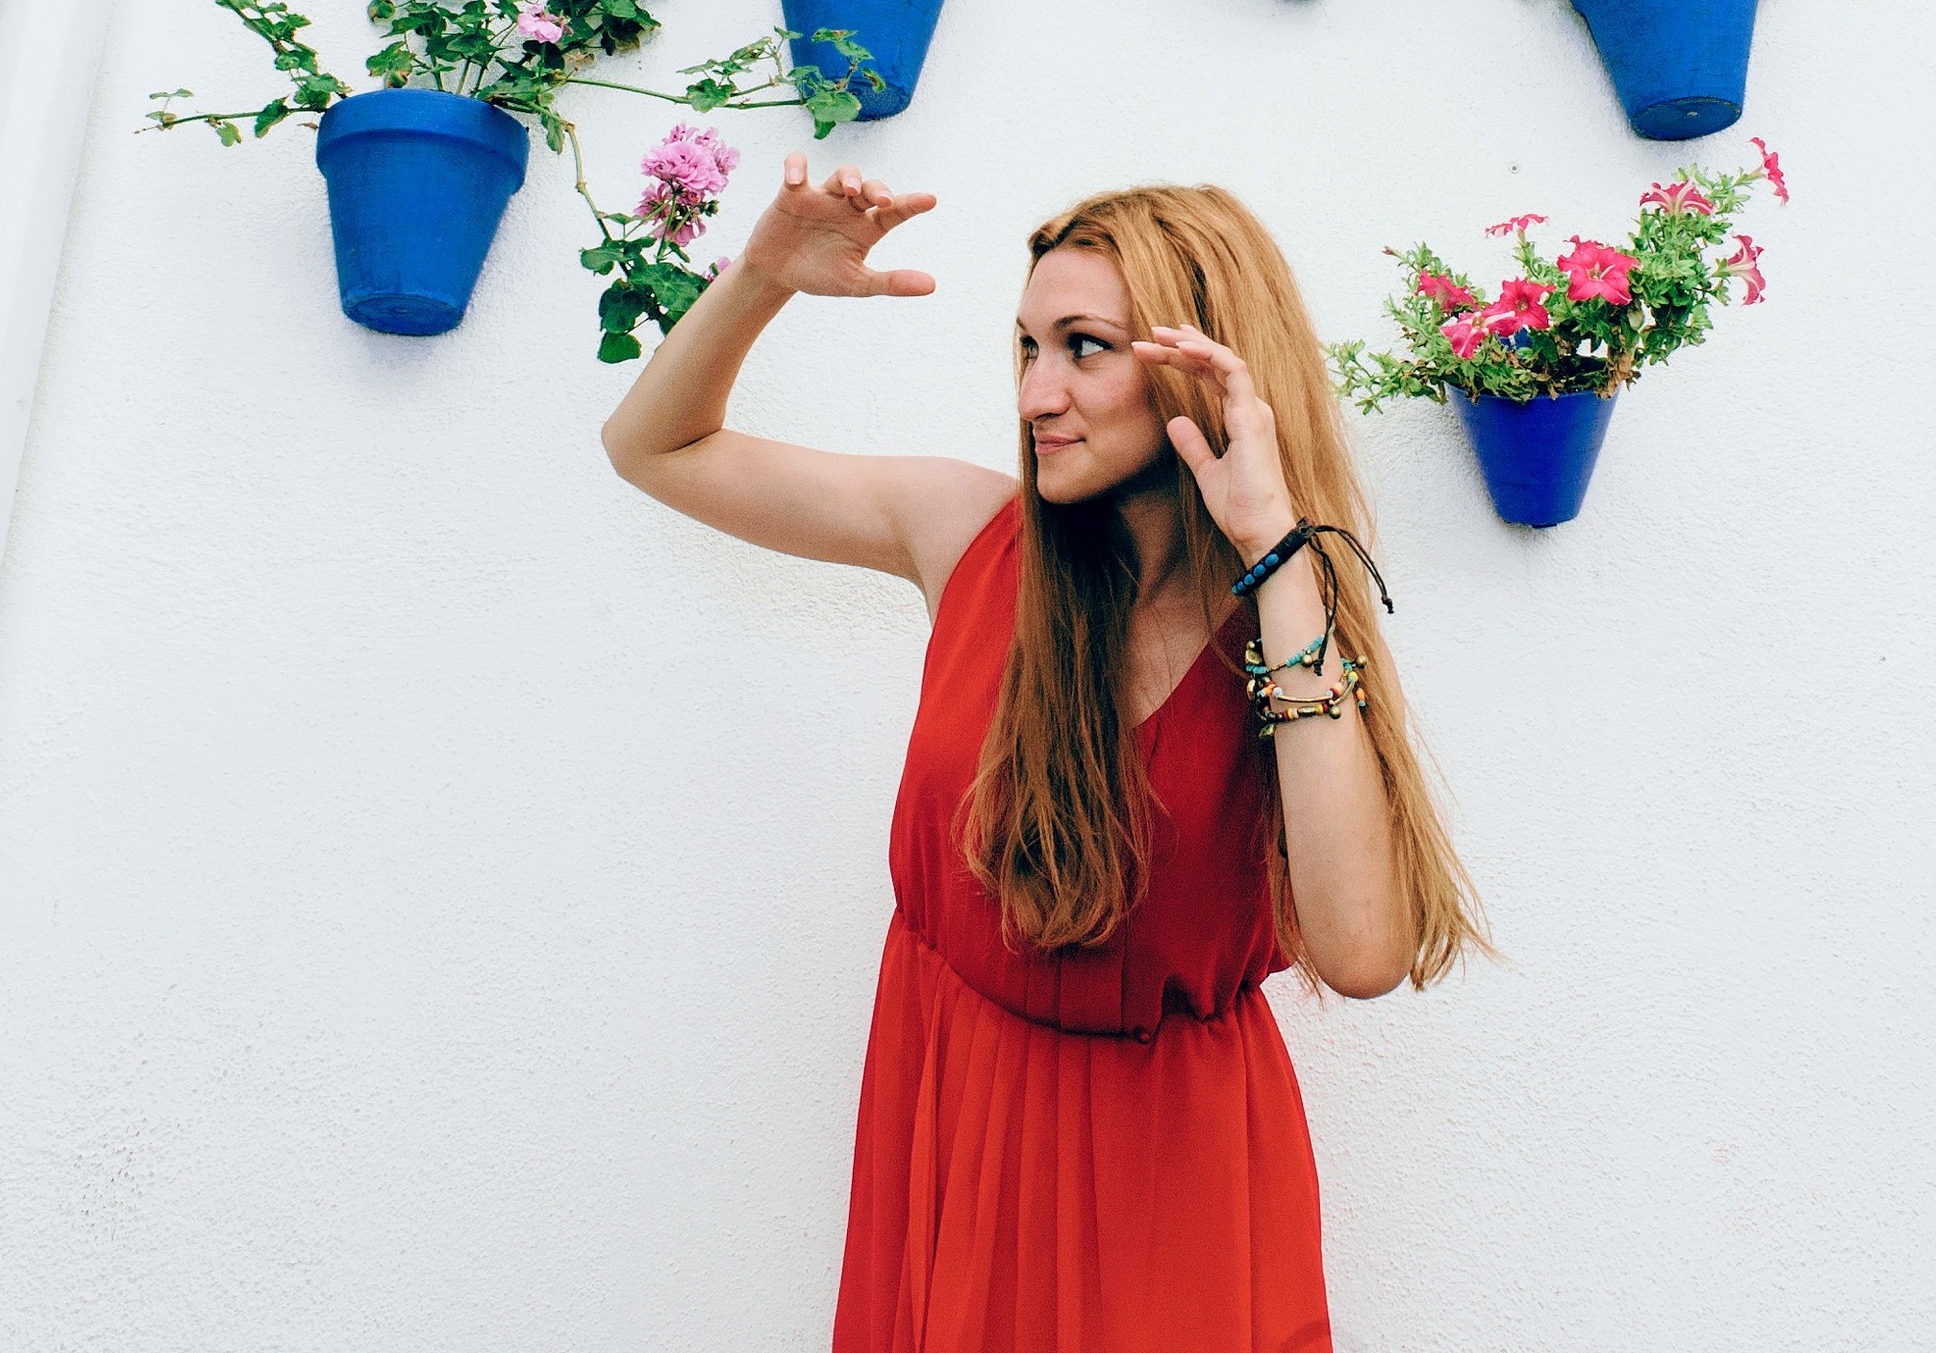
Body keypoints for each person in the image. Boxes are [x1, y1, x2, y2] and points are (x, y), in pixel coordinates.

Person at [602, 158, 1485, 1353]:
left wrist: (1278, 553)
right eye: (1025, 348)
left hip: (1172, 1183)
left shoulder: (1289, 616)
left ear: (1200, 363)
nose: (1034, 394)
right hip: (952, 1118)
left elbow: (1363, 952)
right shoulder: (963, 535)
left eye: (1083, 347)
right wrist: (763, 276)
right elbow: (654, 448)